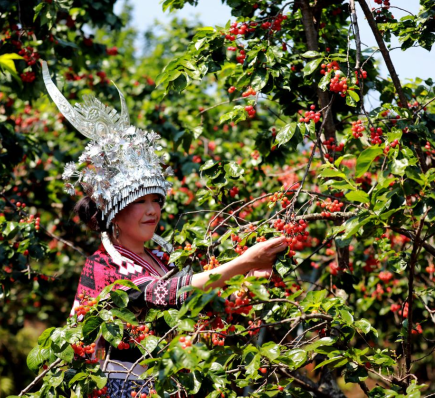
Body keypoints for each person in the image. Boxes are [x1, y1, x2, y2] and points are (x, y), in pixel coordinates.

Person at [41, 60, 288, 396]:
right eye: (140, 202)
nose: (152, 210)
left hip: (168, 383)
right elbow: (165, 294)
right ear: (114, 213)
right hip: (119, 386)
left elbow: (193, 303)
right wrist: (242, 263)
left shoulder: (159, 258)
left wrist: (246, 280)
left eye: (156, 201)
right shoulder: (104, 264)